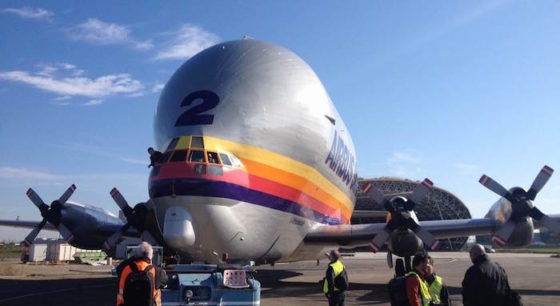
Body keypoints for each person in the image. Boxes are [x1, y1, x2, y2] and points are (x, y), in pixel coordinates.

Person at [116, 242, 166, 306]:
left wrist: (134, 257)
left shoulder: (126, 270)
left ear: (136, 255)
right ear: (151, 257)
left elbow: (119, 268)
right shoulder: (157, 271)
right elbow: (165, 281)